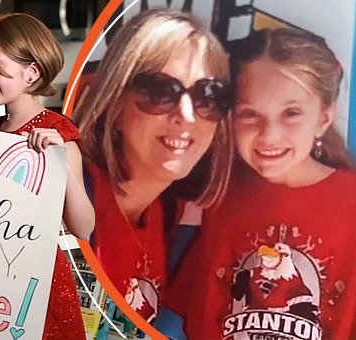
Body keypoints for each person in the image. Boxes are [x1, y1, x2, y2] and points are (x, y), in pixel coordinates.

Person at [164, 28, 356, 339]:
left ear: (323, 118)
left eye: (291, 113)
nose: (269, 135)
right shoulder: (220, 193)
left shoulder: (351, 202)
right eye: (250, 115)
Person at [71, 9, 233, 324]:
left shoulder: (165, 213)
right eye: (160, 91)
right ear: (114, 104)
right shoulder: (70, 195)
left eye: (207, 96)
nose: (187, 115)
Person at [0, 13, 95, 339]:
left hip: (35, 284)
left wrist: (59, 161)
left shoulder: (58, 133)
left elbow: (84, 226)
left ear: (31, 72)